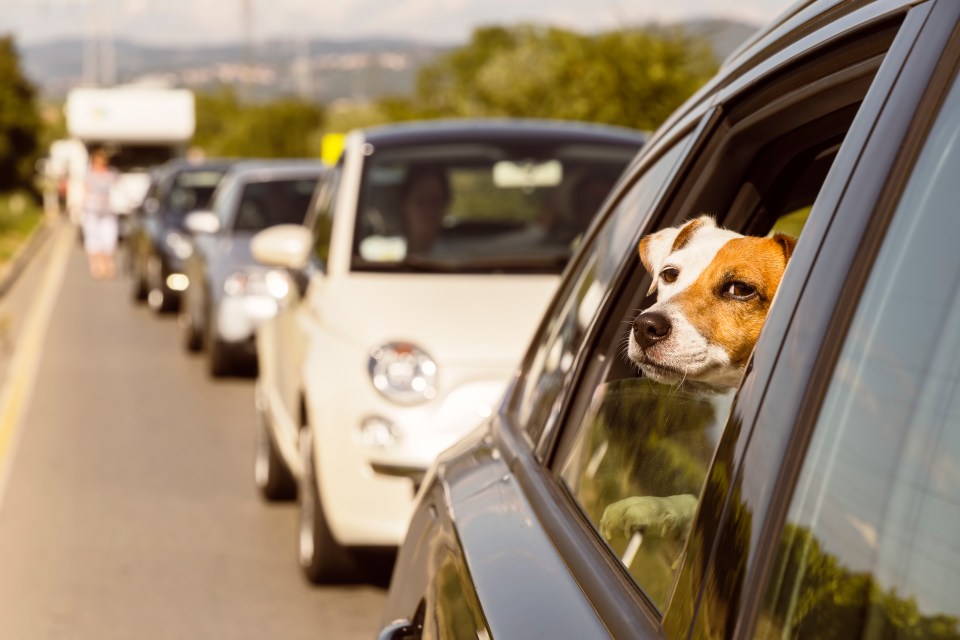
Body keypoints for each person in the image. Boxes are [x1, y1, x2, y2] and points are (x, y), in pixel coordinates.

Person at [81, 148, 119, 279]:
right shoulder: (88, 175)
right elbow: (84, 191)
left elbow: (118, 190)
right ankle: (96, 265)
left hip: (108, 211)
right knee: (93, 238)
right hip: (91, 210)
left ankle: (108, 264)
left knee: (109, 238)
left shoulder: (112, 175)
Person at [399, 167, 450, 254]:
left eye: (435, 200)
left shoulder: (459, 258)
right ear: (405, 205)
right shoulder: (382, 255)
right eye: (421, 201)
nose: (428, 210)